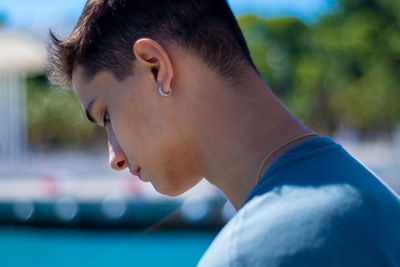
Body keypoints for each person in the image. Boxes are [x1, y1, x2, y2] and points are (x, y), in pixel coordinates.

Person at [47, 0, 400, 266]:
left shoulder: (247, 254)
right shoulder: (381, 203)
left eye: (106, 116)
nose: (115, 157)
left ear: (156, 68)